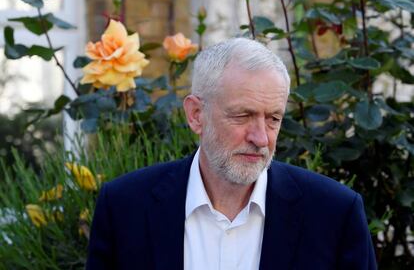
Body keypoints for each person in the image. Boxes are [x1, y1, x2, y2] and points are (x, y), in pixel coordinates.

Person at [86, 38, 377, 270]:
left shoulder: (334, 214)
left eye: (273, 119)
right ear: (196, 114)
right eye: (242, 116)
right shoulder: (125, 207)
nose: (261, 137)